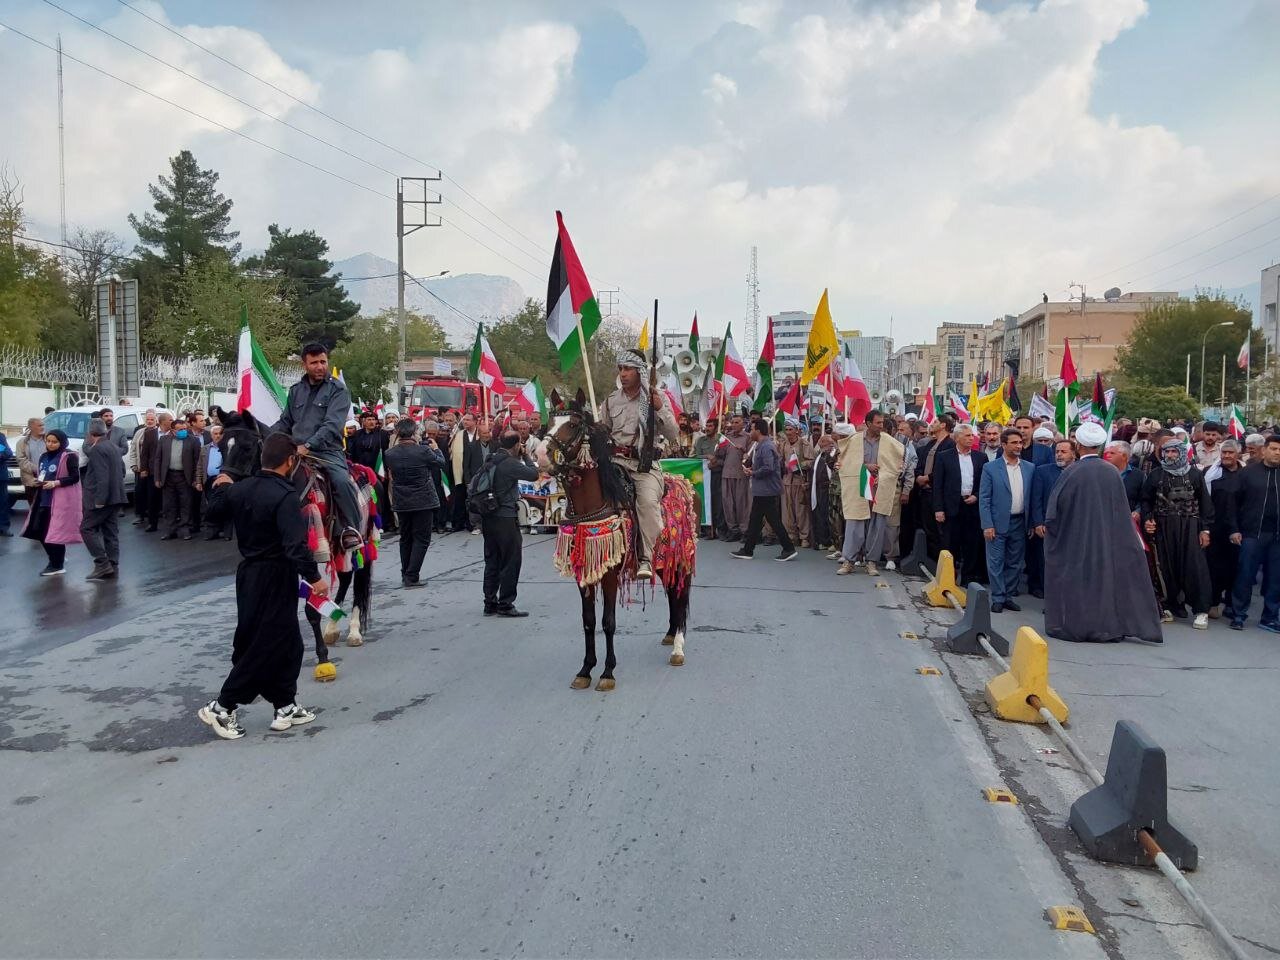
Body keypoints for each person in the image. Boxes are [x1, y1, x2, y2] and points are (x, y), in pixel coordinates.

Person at [198, 433, 326, 740]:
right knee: (265, 645)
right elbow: (295, 546)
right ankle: (223, 705)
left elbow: (212, 513)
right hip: (275, 575)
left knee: (290, 643)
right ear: (291, 461)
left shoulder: (241, 489)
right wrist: (315, 577)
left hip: (249, 575)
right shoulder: (285, 496)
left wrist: (223, 484)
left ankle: (285, 703)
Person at [1044, 421, 1163, 642]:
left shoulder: (1072, 472)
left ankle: (1079, 625)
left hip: (1076, 539)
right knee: (1105, 582)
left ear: (1078, 444)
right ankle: (1106, 625)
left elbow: (1055, 510)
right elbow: (1120, 508)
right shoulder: (1111, 472)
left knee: (1080, 582)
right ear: (1099, 446)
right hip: (1107, 539)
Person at [598, 350, 679, 580]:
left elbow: (673, 433)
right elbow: (602, 432)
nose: (623, 374)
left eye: (628, 369)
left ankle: (646, 557)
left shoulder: (655, 397)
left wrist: (659, 408)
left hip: (644, 466)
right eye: (620, 369)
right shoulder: (611, 401)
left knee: (646, 503)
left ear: (639, 371)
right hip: (615, 463)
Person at [274, 343, 363, 550]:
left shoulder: (338, 390)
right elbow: (285, 422)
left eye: (323, 361)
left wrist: (308, 444)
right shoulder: (296, 391)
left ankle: (351, 528)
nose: (320, 366)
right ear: (304, 364)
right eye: (314, 362)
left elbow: (332, 425)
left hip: (326, 452)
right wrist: (265, 435)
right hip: (295, 451)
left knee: (341, 482)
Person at [1141, 437, 1213, 629]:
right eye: (1167, 452)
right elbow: (1146, 500)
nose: (1170, 455)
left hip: (1190, 526)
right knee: (1165, 566)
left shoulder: (1195, 475)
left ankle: (1201, 611)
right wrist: (1148, 517)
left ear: (1182, 453)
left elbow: (1206, 504)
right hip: (1164, 527)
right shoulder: (1156, 475)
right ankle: (1169, 606)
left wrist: (1205, 530)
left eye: (1174, 452)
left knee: (1194, 567)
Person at [478, 430, 540, 616]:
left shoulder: (490, 459)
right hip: (505, 516)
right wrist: (526, 455)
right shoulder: (510, 463)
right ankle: (506, 603)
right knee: (511, 560)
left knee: (492, 560)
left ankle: (490, 602)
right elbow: (534, 474)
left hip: (488, 516)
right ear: (516, 445)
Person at [835, 410, 903, 576]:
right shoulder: (854, 440)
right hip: (860, 483)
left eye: (882, 422)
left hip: (880, 486)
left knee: (877, 524)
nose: (882, 426)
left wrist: (884, 475)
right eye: (878, 423)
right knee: (855, 522)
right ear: (868, 423)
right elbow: (846, 463)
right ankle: (849, 561)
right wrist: (866, 466)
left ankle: (871, 562)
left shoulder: (889, 441)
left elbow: (897, 465)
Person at [1227, 435, 1280, 632]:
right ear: (1264, 450)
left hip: (1277, 537)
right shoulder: (1248, 473)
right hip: (1251, 534)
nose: (1277, 453)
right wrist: (1234, 529)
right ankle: (1238, 614)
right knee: (1245, 576)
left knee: (1275, 579)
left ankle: (1270, 617)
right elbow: (1232, 504)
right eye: (1273, 448)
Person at [385, 418, 446, 587]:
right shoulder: (423, 451)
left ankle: (406, 572)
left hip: (402, 500)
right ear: (414, 433)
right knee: (421, 538)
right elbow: (440, 463)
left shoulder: (390, 454)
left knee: (405, 537)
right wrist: (436, 449)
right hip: (423, 500)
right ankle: (412, 575)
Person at [979, 427, 1034, 613]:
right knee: (995, 561)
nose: (1019, 446)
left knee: (1015, 562)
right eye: (1014, 443)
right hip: (997, 522)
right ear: (1004, 445)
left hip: (1020, 522)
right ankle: (997, 597)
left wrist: (1032, 522)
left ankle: (1008, 595)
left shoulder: (1029, 468)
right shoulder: (990, 468)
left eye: (1020, 443)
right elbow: (984, 498)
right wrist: (987, 524)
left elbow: (1032, 498)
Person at [730, 417, 797, 561]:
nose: (750, 432)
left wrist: (752, 472)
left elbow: (769, 467)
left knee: (772, 520)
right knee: (755, 520)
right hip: (762, 490)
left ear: (758, 430)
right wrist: (753, 469)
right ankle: (748, 549)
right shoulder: (761, 445)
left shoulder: (766, 446)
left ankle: (788, 548)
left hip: (767, 490)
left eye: (752, 429)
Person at [20, 429, 82, 576]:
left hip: (59, 501)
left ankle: (57, 564)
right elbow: (42, 473)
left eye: (54, 442)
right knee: (39, 531)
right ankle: (56, 558)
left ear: (61, 442)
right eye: (48, 441)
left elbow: (75, 477)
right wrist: (39, 481)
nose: (51, 444)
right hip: (43, 498)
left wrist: (56, 483)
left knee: (55, 533)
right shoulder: (44, 456)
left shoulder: (69, 456)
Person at [932, 422, 987, 586]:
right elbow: (938, 485)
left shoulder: (980, 457)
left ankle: (968, 577)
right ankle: (949, 576)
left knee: (971, 543)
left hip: (972, 506)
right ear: (957, 438)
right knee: (951, 543)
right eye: (967, 435)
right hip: (951, 507)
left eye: (972, 435)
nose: (971, 438)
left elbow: (983, 483)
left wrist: (976, 496)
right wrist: (938, 509)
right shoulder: (944, 456)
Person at [79, 418, 127, 580]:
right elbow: (119, 470)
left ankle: (102, 564)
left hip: (102, 498)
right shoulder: (112, 446)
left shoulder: (98, 449)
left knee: (86, 528)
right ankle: (112, 562)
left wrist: (99, 500)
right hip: (115, 496)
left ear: (90, 434)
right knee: (110, 530)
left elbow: (102, 476)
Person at [1029, 438, 1077, 595]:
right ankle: (1044, 590)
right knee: (1045, 561)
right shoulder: (1042, 471)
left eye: (1063, 452)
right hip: (1046, 526)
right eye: (1057, 451)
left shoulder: (1080, 471)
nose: (1059, 455)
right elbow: (1036, 499)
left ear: (1073, 454)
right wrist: (1037, 523)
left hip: (1070, 527)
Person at [1204, 439, 1243, 619]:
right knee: (1214, 567)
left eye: (1230, 453)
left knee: (1235, 567)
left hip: (1238, 529)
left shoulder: (1245, 475)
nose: (1227, 456)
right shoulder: (1211, 473)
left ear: (1238, 454)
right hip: (1215, 527)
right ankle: (1213, 602)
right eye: (1224, 453)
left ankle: (1230, 603)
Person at [152, 414, 200, 540]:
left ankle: (185, 529)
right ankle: (170, 530)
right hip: (168, 477)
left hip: (184, 477)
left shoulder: (193, 441)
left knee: (185, 503)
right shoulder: (164, 440)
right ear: (173, 431)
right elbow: (158, 459)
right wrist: (157, 478)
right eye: (180, 429)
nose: (183, 431)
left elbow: (197, 461)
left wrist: (196, 479)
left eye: (185, 429)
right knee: (169, 504)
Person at [777, 417, 815, 548]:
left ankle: (804, 537)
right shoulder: (782, 444)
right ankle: (791, 536)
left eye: (790, 429)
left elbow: (811, 462)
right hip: (786, 481)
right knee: (787, 512)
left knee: (801, 511)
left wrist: (798, 466)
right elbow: (779, 460)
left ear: (797, 430)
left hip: (800, 481)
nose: (788, 432)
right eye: (786, 429)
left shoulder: (804, 444)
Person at [449, 413, 485, 534]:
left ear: (475, 421)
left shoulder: (480, 434)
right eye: (464, 420)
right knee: (460, 497)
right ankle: (458, 523)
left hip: (476, 470)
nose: (465, 422)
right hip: (461, 470)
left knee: (475, 499)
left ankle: (473, 524)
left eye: (469, 420)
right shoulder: (459, 435)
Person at [691, 417, 723, 539]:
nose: (708, 428)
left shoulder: (721, 440)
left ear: (715, 428)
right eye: (707, 426)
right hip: (704, 476)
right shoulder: (700, 440)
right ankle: (708, 529)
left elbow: (724, 457)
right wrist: (707, 456)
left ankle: (720, 529)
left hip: (718, 475)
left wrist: (716, 461)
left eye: (710, 426)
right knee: (706, 501)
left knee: (718, 503)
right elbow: (696, 455)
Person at [720, 414, 750, 541]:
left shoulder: (748, 437)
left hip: (741, 475)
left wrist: (743, 450)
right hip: (727, 474)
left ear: (743, 424)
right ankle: (733, 530)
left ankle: (744, 531)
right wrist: (720, 444)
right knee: (728, 504)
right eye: (732, 422)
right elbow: (720, 454)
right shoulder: (727, 437)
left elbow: (751, 455)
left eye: (737, 422)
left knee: (742, 504)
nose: (734, 425)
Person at [811, 432, 837, 551]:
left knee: (827, 515)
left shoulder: (831, 456)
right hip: (817, 489)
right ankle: (821, 540)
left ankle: (829, 540)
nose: (821, 443)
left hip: (827, 489)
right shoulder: (819, 455)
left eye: (824, 441)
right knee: (819, 514)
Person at [1103, 440, 1144, 512]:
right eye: (1106, 453)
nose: (1107, 455)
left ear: (1124, 456)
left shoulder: (1139, 475)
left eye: (1112, 453)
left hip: (1128, 519)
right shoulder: (1100, 473)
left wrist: (1137, 512)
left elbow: (1143, 499)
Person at [15, 417, 45, 506]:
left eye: (43, 425)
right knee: (33, 508)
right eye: (40, 425)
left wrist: (45, 470)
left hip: (47, 479)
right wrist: (37, 469)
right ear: (31, 427)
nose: (43, 427)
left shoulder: (49, 440)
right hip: (31, 480)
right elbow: (21, 460)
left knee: (46, 509)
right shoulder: (22, 442)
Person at [0, 429, 11, 537]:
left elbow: (8, 452)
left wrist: (1, 455)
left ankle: (3, 527)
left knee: (2, 502)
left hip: (1, 476)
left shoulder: (0, 437)